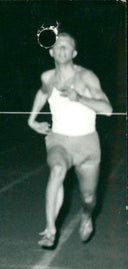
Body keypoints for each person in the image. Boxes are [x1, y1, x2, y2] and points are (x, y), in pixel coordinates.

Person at [27, 32, 112, 249]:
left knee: (89, 197)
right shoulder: (48, 77)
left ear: (73, 52)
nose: (62, 50)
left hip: (87, 143)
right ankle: (50, 229)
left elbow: (107, 109)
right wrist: (32, 119)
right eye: (58, 46)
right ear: (51, 51)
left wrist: (79, 98)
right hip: (59, 140)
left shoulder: (86, 77)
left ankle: (86, 216)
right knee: (57, 170)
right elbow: (43, 93)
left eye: (67, 47)